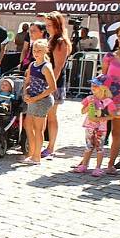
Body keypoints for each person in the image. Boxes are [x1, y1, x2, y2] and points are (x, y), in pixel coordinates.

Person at [40, 11, 72, 158]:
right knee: (43, 115)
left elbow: (58, 67)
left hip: (55, 83)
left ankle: (51, 147)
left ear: (57, 25)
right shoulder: (52, 38)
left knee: (51, 115)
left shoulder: (61, 42)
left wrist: (50, 85)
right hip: (46, 80)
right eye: (46, 25)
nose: (47, 28)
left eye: (49, 25)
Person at [72, 75, 116, 177]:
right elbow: (82, 111)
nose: (92, 87)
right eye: (92, 85)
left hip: (101, 128)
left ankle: (98, 168)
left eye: (95, 85)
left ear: (104, 88)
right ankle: (84, 165)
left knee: (99, 147)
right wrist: (88, 105)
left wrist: (99, 119)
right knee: (88, 146)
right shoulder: (89, 98)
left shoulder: (108, 101)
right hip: (89, 126)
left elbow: (112, 116)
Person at [22, 39, 57, 165]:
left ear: (45, 51)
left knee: (39, 129)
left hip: (43, 100)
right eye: (35, 50)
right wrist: (26, 93)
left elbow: (52, 87)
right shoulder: (32, 65)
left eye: (39, 51)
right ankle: (32, 152)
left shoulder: (46, 66)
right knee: (27, 125)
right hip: (32, 99)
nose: (36, 53)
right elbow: (27, 82)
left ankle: (37, 156)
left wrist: (35, 98)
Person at [103, 22, 120, 174]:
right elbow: (102, 77)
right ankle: (91, 161)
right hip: (110, 100)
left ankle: (112, 163)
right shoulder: (110, 57)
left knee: (118, 133)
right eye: (119, 36)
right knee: (103, 131)